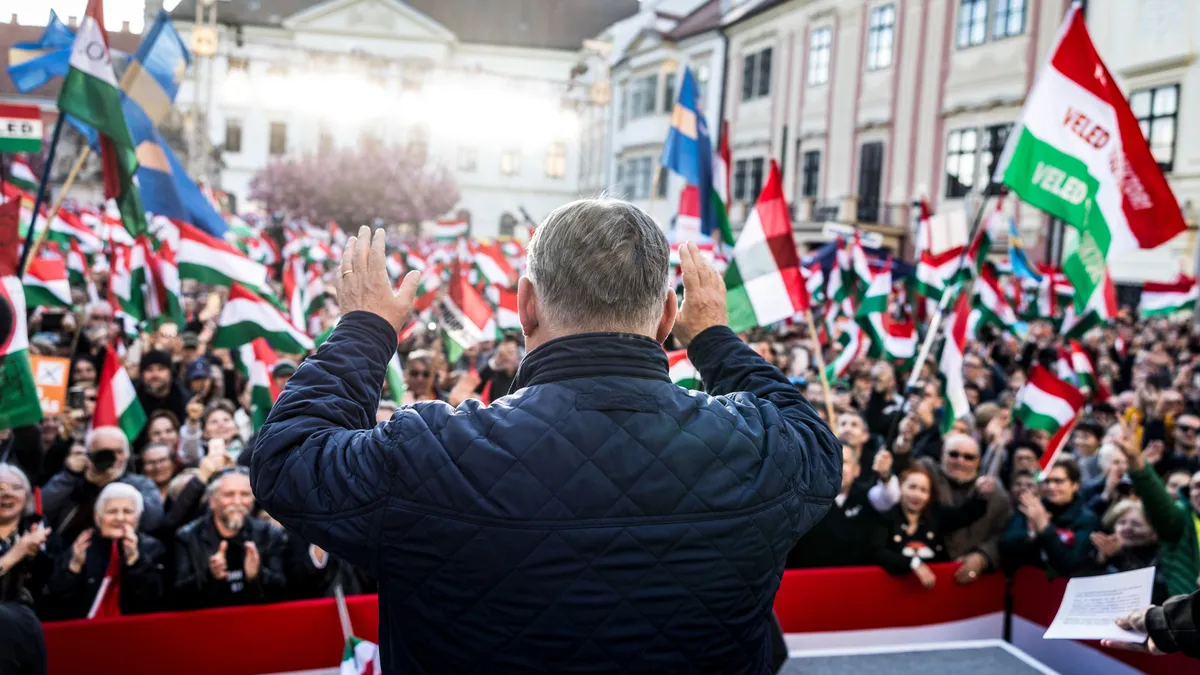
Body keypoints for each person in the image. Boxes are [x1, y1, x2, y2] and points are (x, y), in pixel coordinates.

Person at [252, 210, 841, 673]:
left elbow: (288, 459)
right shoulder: (763, 450)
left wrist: (364, 327)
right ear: (668, 315)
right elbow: (816, 440)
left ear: (524, 304)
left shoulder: (433, 454)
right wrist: (713, 335)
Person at [887, 433, 1011, 585]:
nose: (960, 461)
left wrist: (983, 557)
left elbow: (1004, 534)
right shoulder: (927, 474)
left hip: (975, 585)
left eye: (969, 457)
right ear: (942, 454)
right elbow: (905, 469)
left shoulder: (995, 494)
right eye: (953, 454)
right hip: (920, 578)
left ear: (978, 461)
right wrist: (902, 449)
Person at [43, 482, 166, 619]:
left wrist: (135, 560)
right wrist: (74, 566)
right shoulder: (81, 545)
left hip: (133, 630)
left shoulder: (153, 547)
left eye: (128, 512)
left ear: (138, 517)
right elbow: (55, 601)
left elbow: (153, 601)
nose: (120, 518)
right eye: (112, 512)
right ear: (97, 517)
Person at [174, 468, 286, 609]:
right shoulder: (187, 536)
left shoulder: (269, 533)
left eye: (245, 494)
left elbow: (284, 591)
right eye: (229, 495)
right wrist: (210, 576)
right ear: (212, 500)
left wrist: (257, 575)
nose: (238, 502)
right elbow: (178, 597)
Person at [872, 466, 996, 589]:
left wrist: (982, 495)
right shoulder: (887, 517)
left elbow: (965, 515)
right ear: (900, 487)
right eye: (912, 487)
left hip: (935, 589)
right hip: (894, 591)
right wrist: (914, 564)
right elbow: (879, 553)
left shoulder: (936, 514)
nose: (917, 495)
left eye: (923, 490)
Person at [42, 427, 164, 545]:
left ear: (127, 455)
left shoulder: (140, 484)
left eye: (119, 452)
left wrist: (117, 483)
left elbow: (153, 520)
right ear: (88, 455)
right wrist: (69, 475)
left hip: (126, 552)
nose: (113, 458)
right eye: (104, 452)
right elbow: (43, 507)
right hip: (73, 554)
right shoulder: (72, 481)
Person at [1000, 457, 1098, 577]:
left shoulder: (1087, 519)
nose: (1051, 487)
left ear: (1075, 485)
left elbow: (1070, 563)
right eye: (1047, 481)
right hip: (1028, 583)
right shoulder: (1032, 507)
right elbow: (1005, 545)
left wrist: (1045, 528)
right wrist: (1031, 534)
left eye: (1058, 481)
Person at [788, 445, 879, 568]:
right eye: (832, 461)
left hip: (856, 580)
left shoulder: (868, 500)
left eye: (845, 462)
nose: (838, 467)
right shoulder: (801, 499)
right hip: (810, 580)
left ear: (857, 470)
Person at [0, 465, 52, 607]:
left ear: (27, 496)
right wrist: (16, 554)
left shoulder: (41, 532)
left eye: (16, 488)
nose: (7, 494)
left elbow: (54, 588)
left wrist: (36, 557)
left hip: (29, 621)